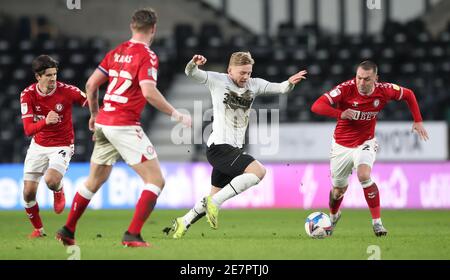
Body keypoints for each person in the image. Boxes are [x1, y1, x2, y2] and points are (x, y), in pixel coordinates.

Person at [56, 8, 191, 247]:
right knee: (156, 180)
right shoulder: (147, 56)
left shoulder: (115, 52)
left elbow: (90, 84)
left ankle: (68, 229)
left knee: (94, 180)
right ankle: (132, 234)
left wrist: (94, 113)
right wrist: (175, 113)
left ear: (132, 26)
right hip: (124, 124)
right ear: (154, 29)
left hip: (104, 123)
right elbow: (149, 92)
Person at [163, 52, 307, 238]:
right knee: (258, 172)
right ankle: (214, 204)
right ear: (230, 70)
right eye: (242, 73)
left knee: (213, 193)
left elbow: (280, 89)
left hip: (233, 149)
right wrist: (193, 63)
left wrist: (289, 83)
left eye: (248, 72)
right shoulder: (217, 80)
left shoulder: (254, 85)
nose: (246, 77)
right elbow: (191, 73)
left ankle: (184, 221)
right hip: (219, 147)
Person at [311, 60, 429, 236]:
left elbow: (409, 94)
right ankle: (334, 216)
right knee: (337, 191)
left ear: (376, 78)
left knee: (364, 175)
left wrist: (418, 120)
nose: (361, 82)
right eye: (359, 77)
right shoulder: (345, 89)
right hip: (341, 145)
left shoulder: (384, 90)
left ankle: (377, 223)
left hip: (366, 142)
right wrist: (339, 113)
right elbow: (316, 106)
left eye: (366, 79)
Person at [20, 55, 87, 238]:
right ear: (38, 77)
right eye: (48, 75)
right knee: (28, 192)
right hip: (38, 145)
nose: (53, 79)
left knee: (50, 180)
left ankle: (58, 189)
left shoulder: (67, 91)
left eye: (55, 74)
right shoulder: (27, 95)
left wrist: (98, 118)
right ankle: (38, 230)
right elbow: (28, 130)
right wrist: (46, 122)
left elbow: (89, 102)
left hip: (62, 144)